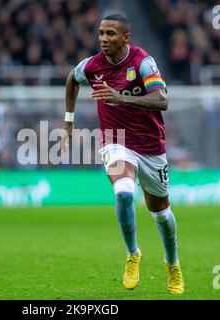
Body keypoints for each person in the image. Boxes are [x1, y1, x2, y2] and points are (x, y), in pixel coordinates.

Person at [60, 14, 184, 294]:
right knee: (124, 192)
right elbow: (72, 78)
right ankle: (132, 253)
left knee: (162, 214)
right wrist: (69, 119)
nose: (103, 38)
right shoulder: (92, 66)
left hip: (151, 147)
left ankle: (172, 263)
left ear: (125, 37)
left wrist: (120, 97)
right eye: (101, 33)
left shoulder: (143, 62)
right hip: (116, 142)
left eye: (111, 34)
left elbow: (162, 100)